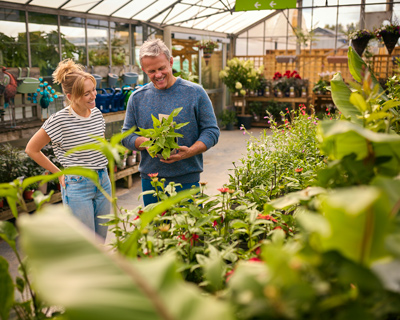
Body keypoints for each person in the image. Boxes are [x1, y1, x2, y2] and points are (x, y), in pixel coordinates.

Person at [121, 38, 220, 206]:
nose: (158, 75)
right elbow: (126, 136)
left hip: (187, 179)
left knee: (189, 230)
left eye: (162, 68)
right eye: (151, 71)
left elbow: (211, 131)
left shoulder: (195, 93)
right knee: (157, 231)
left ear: (171, 62)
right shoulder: (137, 98)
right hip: (152, 182)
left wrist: (189, 152)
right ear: (143, 69)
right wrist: (145, 143)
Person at [25, 59, 111, 241]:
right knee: (86, 243)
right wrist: (58, 174)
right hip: (78, 185)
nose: (93, 95)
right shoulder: (59, 120)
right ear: (71, 97)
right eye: (86, 93)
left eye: (93, 90)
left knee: (101, 241)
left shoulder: (96, 113)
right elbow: (32, 149)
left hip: (103, 180)